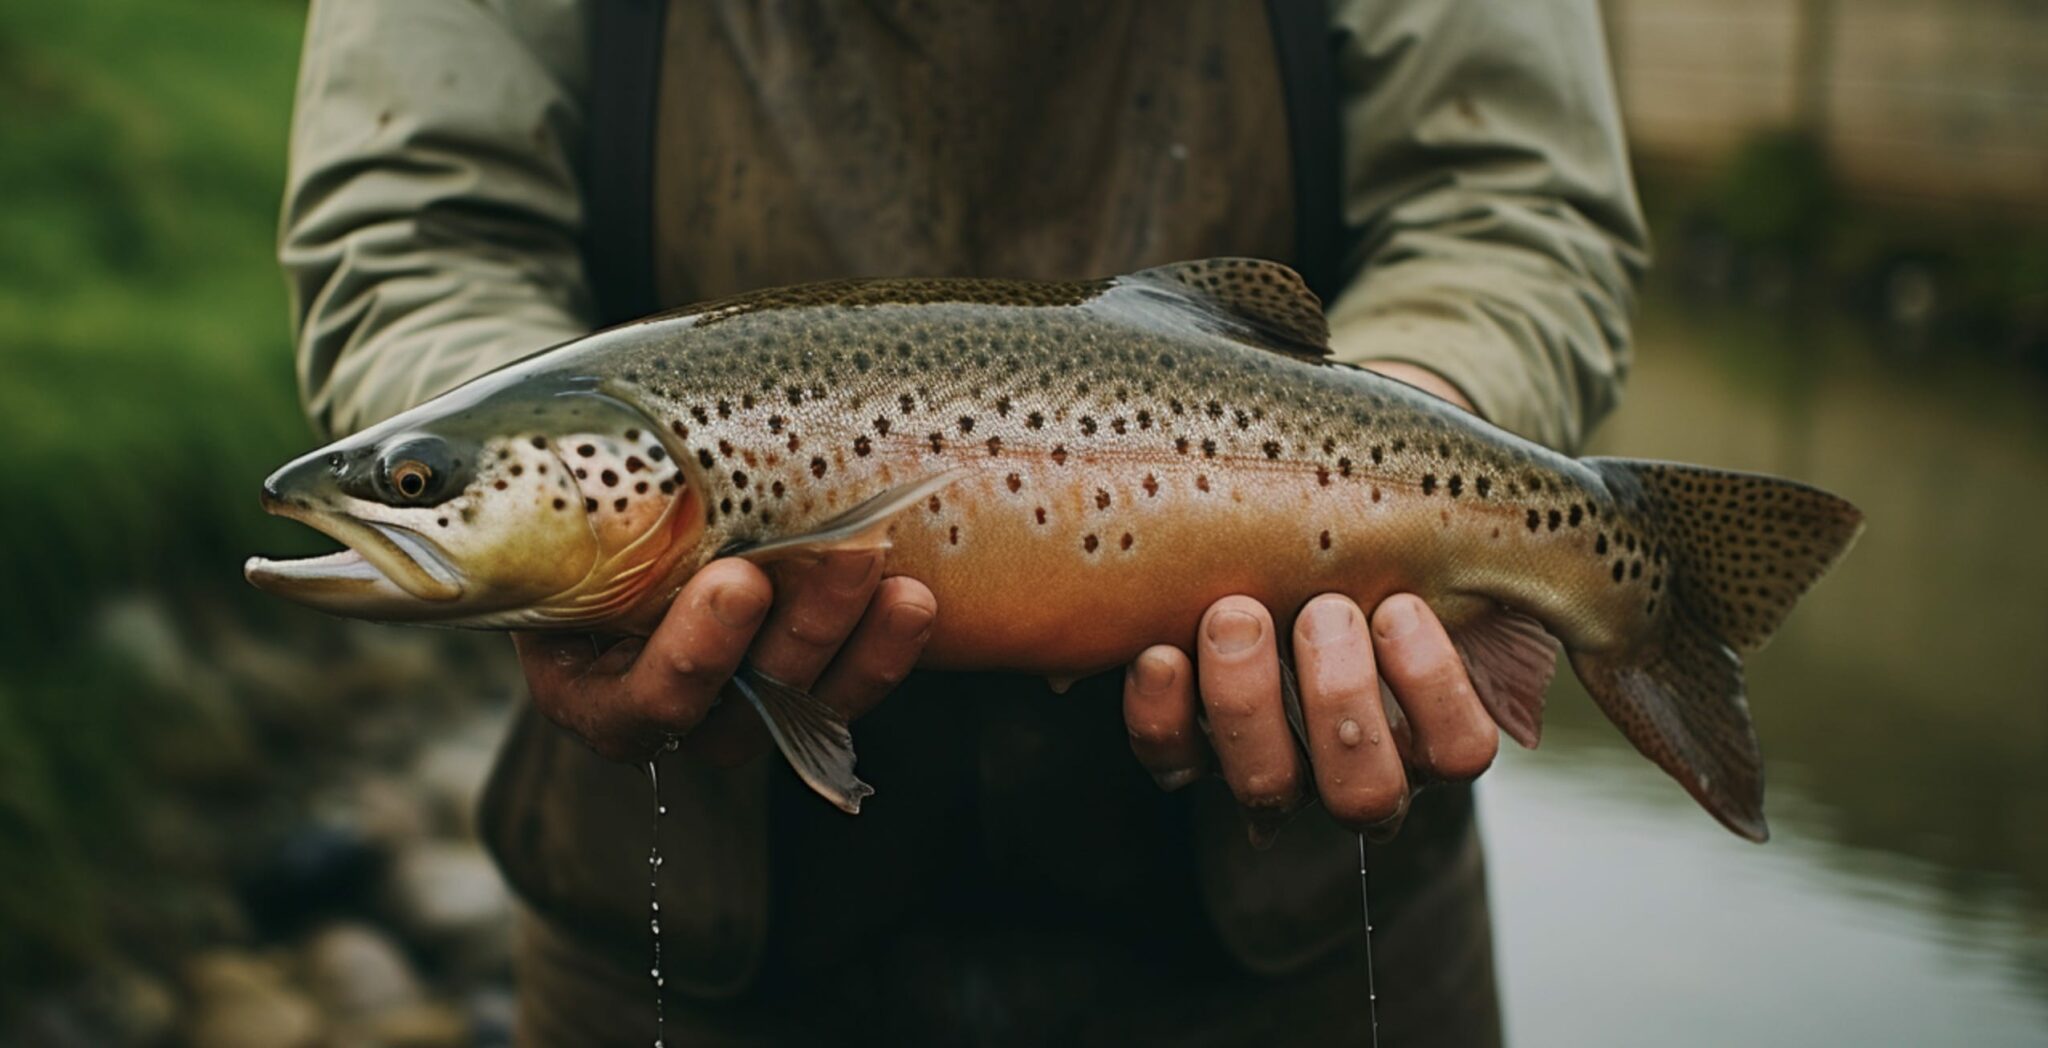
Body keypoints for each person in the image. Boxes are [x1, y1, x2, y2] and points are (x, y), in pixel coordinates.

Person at [280, 2, 1645, 1043]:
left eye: (419, 486)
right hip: (684, 951)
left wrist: (1415, 422)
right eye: (425, 489)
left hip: (1314, 933)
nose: (413, 504)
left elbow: (1510, 197)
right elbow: (419, 229)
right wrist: (430, 419)